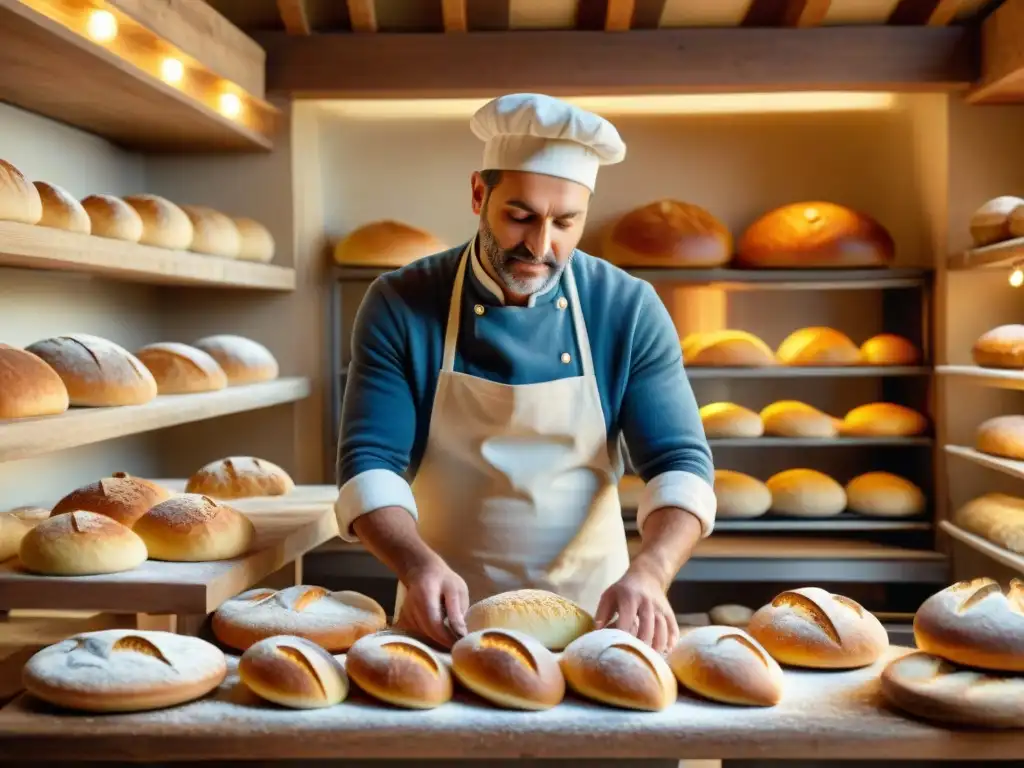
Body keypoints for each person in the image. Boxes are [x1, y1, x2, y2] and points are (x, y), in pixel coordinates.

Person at [335, 93, 715, 653]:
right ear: (478, 194)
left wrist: (652, 572)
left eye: (565, 222)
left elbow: (680, 463)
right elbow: (370, 461)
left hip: (599, 617)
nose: (540, 246)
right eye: (520, 217)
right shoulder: (401, 302)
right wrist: (415, 566)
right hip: (443, 616)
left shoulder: (627, 307)